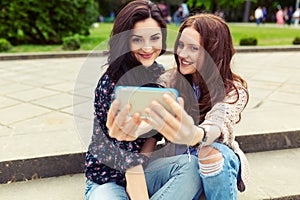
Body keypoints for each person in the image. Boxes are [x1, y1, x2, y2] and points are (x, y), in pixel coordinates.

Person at [84, 1, 200, 200]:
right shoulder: (110, 85)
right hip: (107, 178)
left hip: (144, 170)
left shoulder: (159, 75)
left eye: (154, 38)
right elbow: (129, 163)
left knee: (192, 168)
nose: (147, 47)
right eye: (137, 39)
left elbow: (153, 136)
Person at [144, 14, 250, 199]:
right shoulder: (168, 81)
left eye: (193, 48)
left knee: (213, 152)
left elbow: (219, 122)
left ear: (213, 53)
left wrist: (194, 135)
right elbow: (151, 128)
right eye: (181, 45)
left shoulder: (233, 90)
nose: (182, 54)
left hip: (215, 169)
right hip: (178, 165)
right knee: (189, 165)